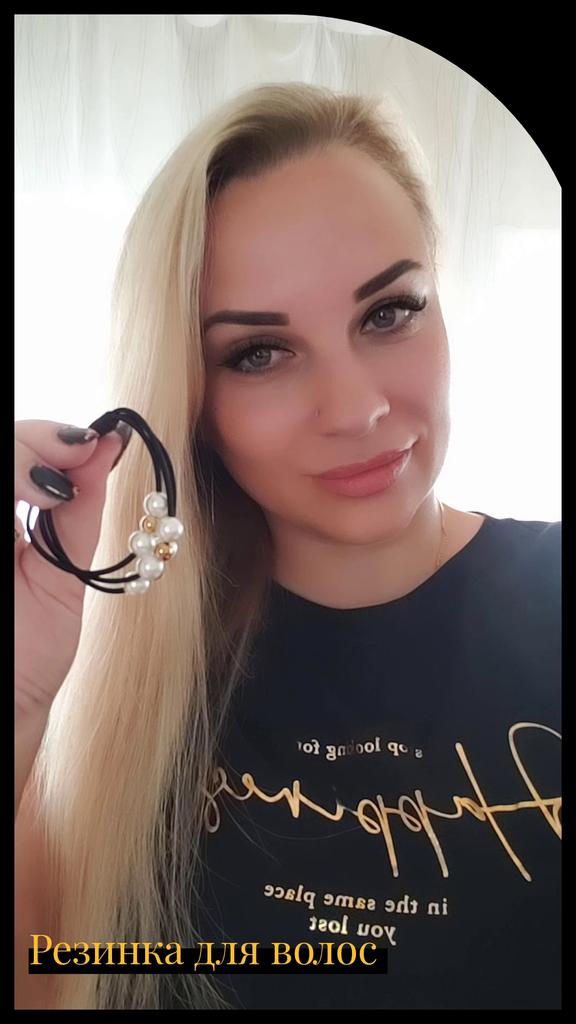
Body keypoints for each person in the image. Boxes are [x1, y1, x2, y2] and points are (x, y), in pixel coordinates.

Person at [15, 81, 561, 1011]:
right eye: (259, 354)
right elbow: (51, 982)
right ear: (191, 400)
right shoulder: (121, 686)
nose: (356, 410)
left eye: (388, 312)